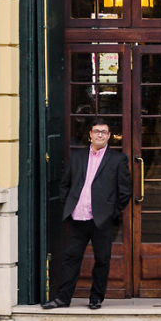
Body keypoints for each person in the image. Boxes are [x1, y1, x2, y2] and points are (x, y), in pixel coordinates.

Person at [42, 117, 131, 310]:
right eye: (96, 131)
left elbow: (124, 193)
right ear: (90, 134)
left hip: (102, 221)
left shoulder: (118, 159)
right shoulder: (77, 157)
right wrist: (69, 205)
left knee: (102, 260)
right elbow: (65, 184)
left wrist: (110, 213)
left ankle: (96, 298)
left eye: (104, 132)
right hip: (78, 217)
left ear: (109, 136)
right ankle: (62, 299)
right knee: (70, 259)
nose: (100, 134)